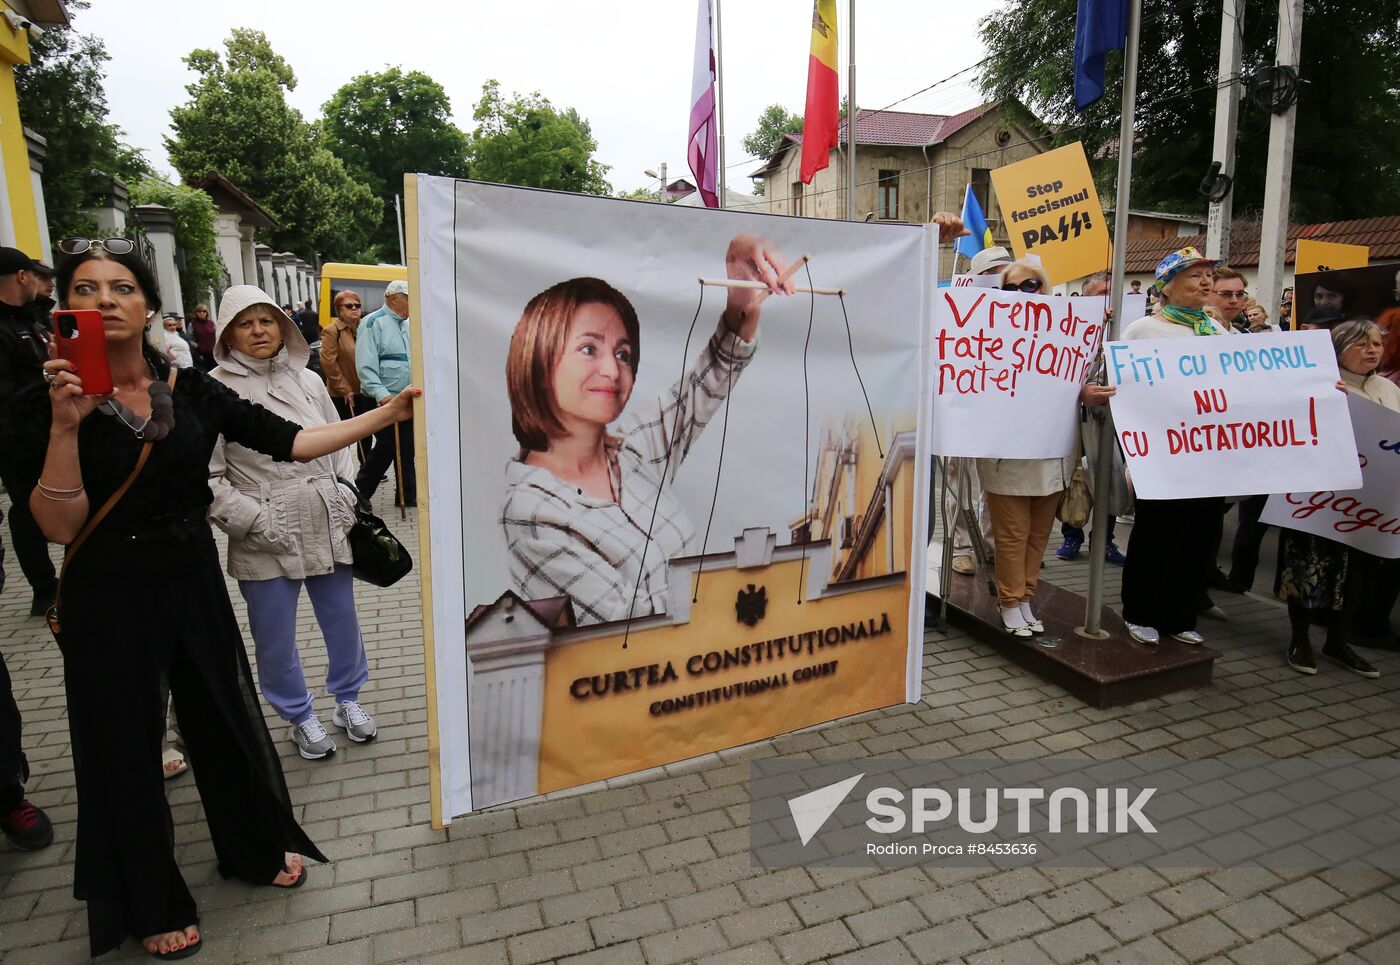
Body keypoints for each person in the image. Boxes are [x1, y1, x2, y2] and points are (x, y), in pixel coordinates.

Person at [5, 238, 418, 959]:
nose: (106, 300)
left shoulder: (189, 388)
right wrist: (68, 423)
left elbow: (290, 439)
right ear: (64, 307)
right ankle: (149, 895)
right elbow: (57, 525)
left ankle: (253, 848)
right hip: (107, 594)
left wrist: (389, 415)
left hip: (193, 579)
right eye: (87, 289)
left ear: (148, 306)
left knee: (221, 717)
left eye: (122, 287)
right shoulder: (37, 403)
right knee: (125, 747)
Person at [502, 233, 794, 625]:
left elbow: (702, 388)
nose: (612, 369)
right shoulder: (532, 511)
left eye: (623, 353)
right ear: (538, 362)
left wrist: (742, 303)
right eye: (589, 349)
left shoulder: (632, 455)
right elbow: (628, 627)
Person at [208, 286, 376, 760]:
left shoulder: (308, 380)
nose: (259, 331)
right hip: (264, 527)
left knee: (342, 620)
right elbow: (208, 477)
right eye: (246, 323)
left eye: (267, 320)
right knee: (274, 633)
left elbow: (338, 442)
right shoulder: (214, 390)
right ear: (227, 333)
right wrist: (254, 521)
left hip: (325, 514)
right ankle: (298, 714)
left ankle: (348, 700)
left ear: (282, 326)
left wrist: (345, 493)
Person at [975, 258, 1114, 637]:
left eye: (1030, 285)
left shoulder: (1068, 333)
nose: (1021, 294)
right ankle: (1008, 600)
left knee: (1039, 536)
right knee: (1012, 535)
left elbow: (1081, 379)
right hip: (1007, 455)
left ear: (1045, 288)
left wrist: (1087, 388)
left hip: (1053, 454)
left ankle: (1025, 598)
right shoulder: (985, 332)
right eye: (1011, 288)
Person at [1118, 248, 1233, 647]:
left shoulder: (1217, 332)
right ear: (1166, 286)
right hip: (1164, 455)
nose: (1205, 282)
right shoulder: (1143, 331)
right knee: (1157, 534)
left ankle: (1179, 614)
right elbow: (1127, 397)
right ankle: (1139, 611)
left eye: (1207, 275)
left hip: (1209, 455)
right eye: (1194, 275)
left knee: (1199, 536)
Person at [1279, 320, 1397, 676]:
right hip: (1320, 495)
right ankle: (1300, 640)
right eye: (1362, 345)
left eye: (1376, 343)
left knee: (1357, 572)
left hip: (1367, 499)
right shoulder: (1323, 384)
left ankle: (1338, 641)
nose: (1373, 350)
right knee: (1307, 567)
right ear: (1339, 349)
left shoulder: (1388, 389)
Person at [0, 246, 58, 615]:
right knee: (26, 511)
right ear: (23, 276)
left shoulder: (32, 319)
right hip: (18, 442)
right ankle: (43, 587)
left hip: (52, 434)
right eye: (38, 276)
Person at [945, 245, 1010, 576]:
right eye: (994, 272)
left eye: (1005, 271)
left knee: (994, 484)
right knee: (961, 482)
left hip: (999, 413)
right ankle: (961, 547)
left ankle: (991, 544)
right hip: (964, 408)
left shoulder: (1021, 311)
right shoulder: (959, 309)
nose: (1001, 278)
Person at [1055, 271, 1124, 566]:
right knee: (1076, 478)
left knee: (1109, 478)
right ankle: (1072, 534)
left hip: (1116, 421)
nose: (1109, 300)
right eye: (1101, 294)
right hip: (1079, 420)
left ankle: (1105, 540)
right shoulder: (1072, 330)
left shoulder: (1127, 328)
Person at [355, 279, 416, 505]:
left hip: (405, 399)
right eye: (410, 299)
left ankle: (407, 496)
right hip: (383, 399)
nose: (413, 304)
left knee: (407, 447)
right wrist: (382, 395)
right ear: (394, 298)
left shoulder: (405, 326)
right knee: (387, 447)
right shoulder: (373, 323)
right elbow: (365, 364)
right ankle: (359, 495)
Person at [321, 290, 376, 457]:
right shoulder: (332, 331)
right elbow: (328, 362)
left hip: (364, 389)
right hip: (344, 393)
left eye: (357, 305)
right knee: (346, 434)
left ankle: (366, 467)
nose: (354, 309)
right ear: (339, 310)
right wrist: (344, 388)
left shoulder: (366, 327)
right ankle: (345, 470)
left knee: (366, 431)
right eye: (349, 306)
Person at [1208, 267, 1250, 332]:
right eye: (1226, 294)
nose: (1234, 300)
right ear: (1207, 294)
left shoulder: (1244, 336)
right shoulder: (1189, 333)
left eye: (1240, 294)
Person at [189, 302, 216, 371]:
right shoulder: (192, 324)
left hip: (214, 354)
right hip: (202, 355)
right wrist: (198, 347)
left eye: (204, 311)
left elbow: (216, 335)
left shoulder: (211, 323)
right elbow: (190, 340)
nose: (202, 313)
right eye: (199, 311)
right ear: (196, 313)